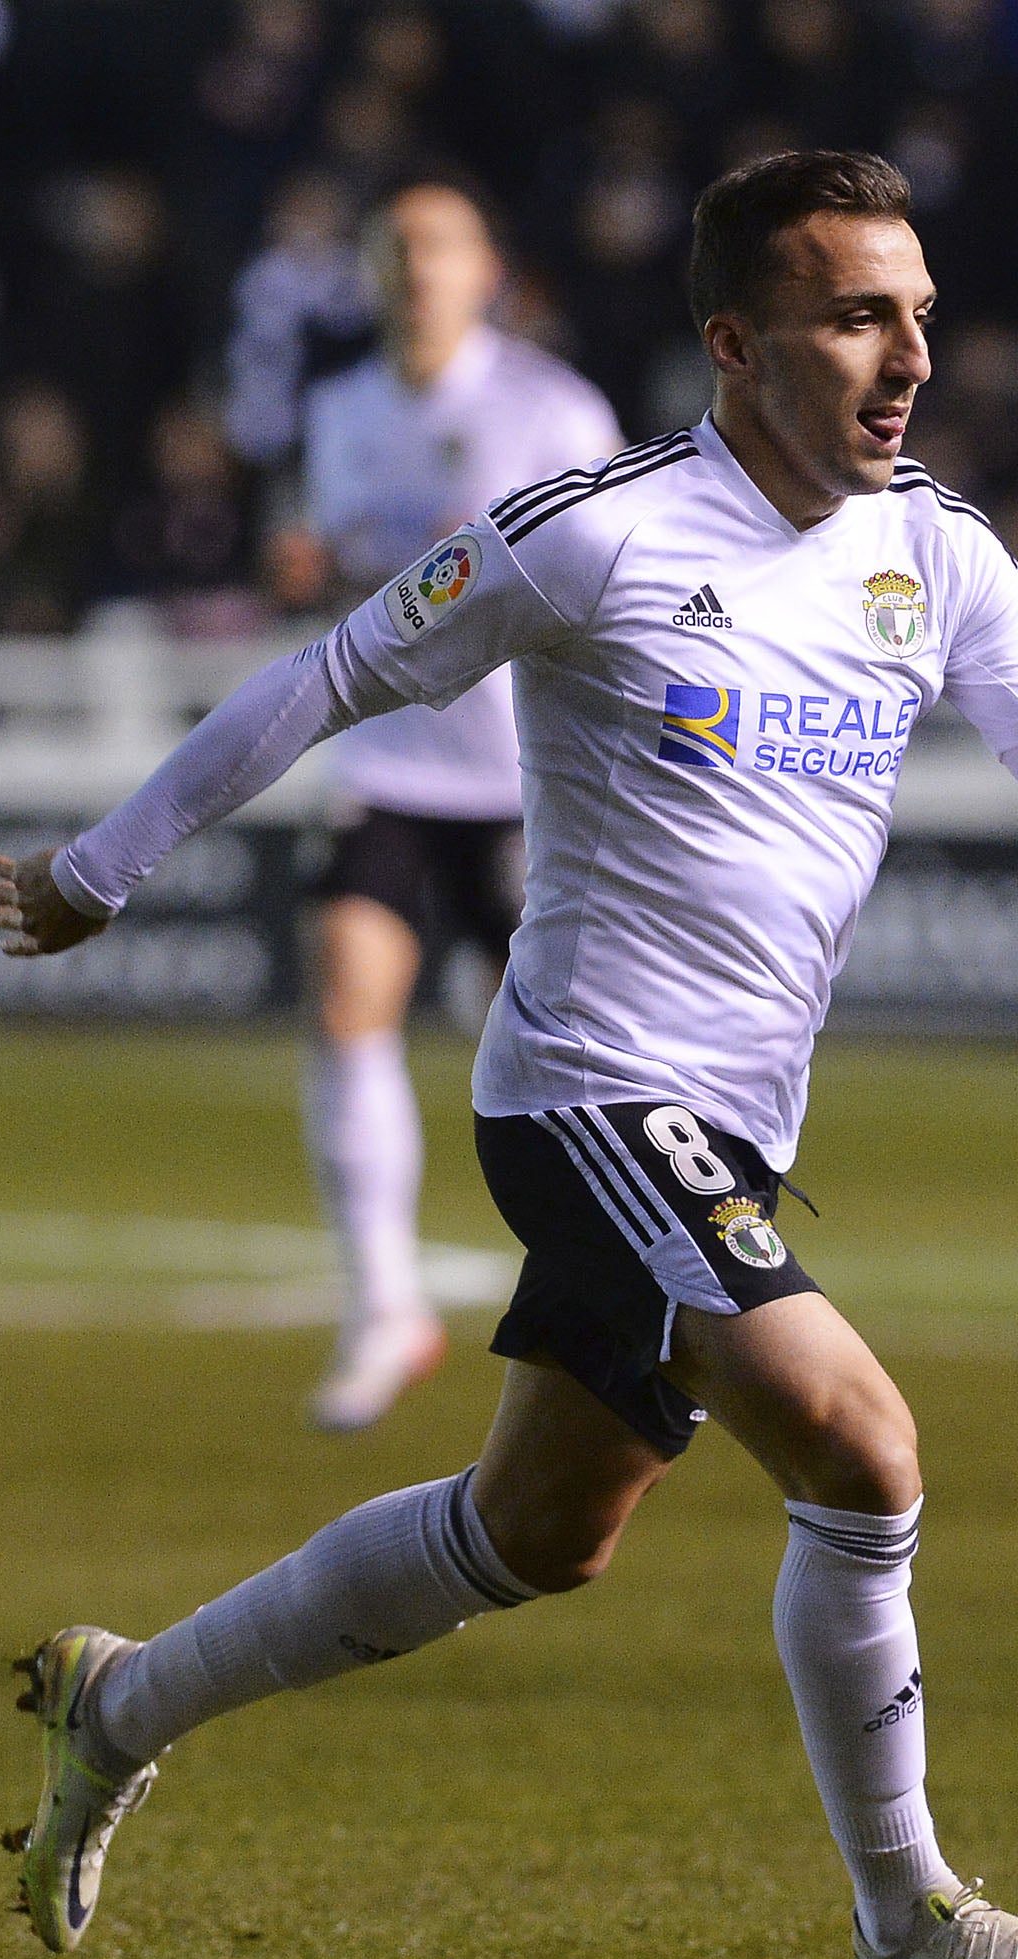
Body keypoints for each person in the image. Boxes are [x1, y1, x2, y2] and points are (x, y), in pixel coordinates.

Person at [0, 150, 1018, 1959]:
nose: (907, 359)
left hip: (732, 1128)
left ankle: (120, 1699)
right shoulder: (597, 531)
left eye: (921, 319)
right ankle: (907, 1913)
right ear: (736, 344)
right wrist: (102, 864)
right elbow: (325, 677)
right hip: (587, 1090)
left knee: (532, 1535)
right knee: (862, 1449)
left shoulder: (933, 546)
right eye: (858, 318)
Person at [283, 176, 623, 1431]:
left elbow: (612, 586)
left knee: (539, 1050)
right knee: (344, 986)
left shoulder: (551, 408)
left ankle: (608, 1285)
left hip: (521, 775)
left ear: (487, 269)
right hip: (385, 763)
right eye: (395, 248)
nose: (415, 269)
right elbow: (348, 578)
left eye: (439, 246)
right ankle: (383, 1305)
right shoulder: (338, 411)